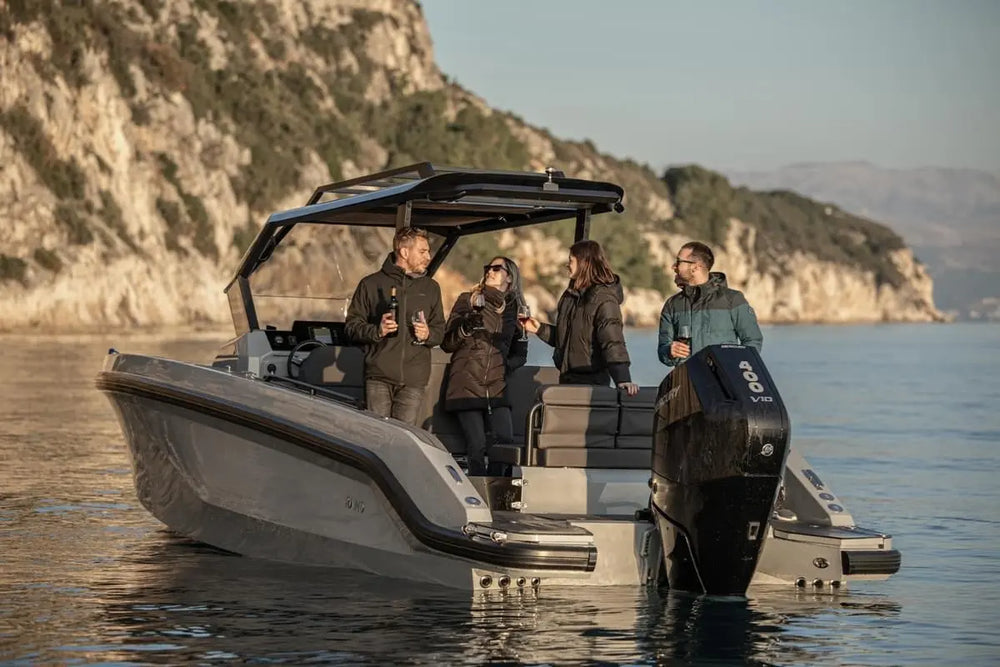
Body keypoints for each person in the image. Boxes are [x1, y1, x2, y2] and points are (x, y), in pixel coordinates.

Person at [345, 227, 445, 425]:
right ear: (404, 252)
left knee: (403, 437)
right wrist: (377, 331)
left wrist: (428, 334)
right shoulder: (370, 284)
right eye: (422, 251)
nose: (428, 257)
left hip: (414, 381)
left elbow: (440, 331)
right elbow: (351, 327)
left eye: (428, 251)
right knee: (377, 434)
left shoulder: (431, 288)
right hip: (378, 377)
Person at [441, 256, 529, 475]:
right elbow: (447, 343)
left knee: (505, 442)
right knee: (477, 445)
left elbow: (520, 355)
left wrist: (503, 365)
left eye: (496, 268)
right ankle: (478, 490)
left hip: (496, 387)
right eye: (488, 267)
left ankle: (498, 489)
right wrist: (466, 327)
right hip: (466, 382)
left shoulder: (516, 310)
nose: (490, 271)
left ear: (510, 277)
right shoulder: (469, 300)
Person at [522, 240, 639, 396]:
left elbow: (612, 342)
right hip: (566, 381)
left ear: (584, 263)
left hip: (592, 387)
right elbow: (568, 340)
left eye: (571, 260)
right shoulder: (569, 297)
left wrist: (623, 378)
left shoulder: (604, 300)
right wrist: (539, 329)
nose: (567, 265)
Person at [657, 241, 763, 366]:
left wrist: (736, 367)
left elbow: (752, 340)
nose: (673, 267)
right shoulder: (672, 305)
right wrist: (669, 351)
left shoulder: (733, 300)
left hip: (723, 377)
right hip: (687, 377)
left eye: (679, 262)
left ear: (695, 267)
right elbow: (663, 350)